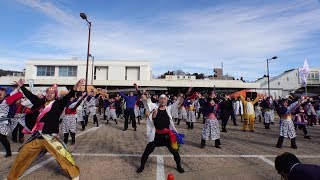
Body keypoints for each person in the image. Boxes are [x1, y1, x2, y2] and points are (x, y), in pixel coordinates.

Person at [7, 79, 84, 180]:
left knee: (62, 156)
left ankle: (74, 174)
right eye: (47, 92)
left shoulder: (58, 104)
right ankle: (12, 177)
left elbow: (68, 97)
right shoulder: (40, 103)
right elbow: (31, 96)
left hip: (50, 136)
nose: (49, 94)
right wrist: (22, 87)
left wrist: (74, 88)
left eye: (52, 93)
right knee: (23, 154)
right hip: (37, 136)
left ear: (55, 95)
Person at [137, 93, 185, 173]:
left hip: (167, 136)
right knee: (147, 151)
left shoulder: (169, 109)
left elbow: (179, 102)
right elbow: (146, 101)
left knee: (175, 152)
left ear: (167, 101)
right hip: (156, 136)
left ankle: (179, 166)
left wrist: (186, 93)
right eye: (161, 98)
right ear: (159, 100)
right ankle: (141, 167)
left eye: (164, 99)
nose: (163, 100)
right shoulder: (154, 108)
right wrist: (138, 90)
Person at [0, 86, 23, 157]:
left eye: (2, 90)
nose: (0, 91)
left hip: (4, 123)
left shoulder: (7, 99)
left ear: (5, 93)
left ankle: (8, 152)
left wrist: (19, 87)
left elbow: (15, 93)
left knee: (2, 138)